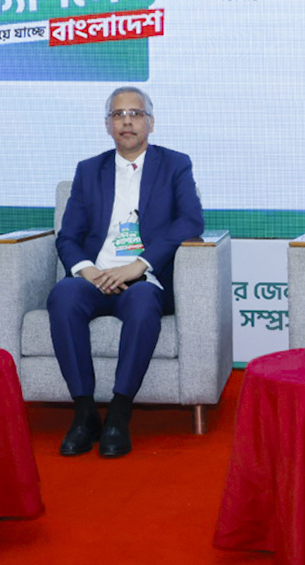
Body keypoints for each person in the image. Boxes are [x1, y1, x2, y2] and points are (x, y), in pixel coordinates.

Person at [49, 87, 204, 458]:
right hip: (95, 277)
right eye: (118, 115)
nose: (127, 121)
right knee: (63, 296)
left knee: (144, 302)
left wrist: (140, 265)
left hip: (142, 278)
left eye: (136, 113)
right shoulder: (89, 170)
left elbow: (191, 220)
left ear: (151, 122)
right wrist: (87, 271)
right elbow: (68, 236)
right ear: (108, 125)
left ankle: (119, 413)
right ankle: (85, 412)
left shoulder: (175, 164)